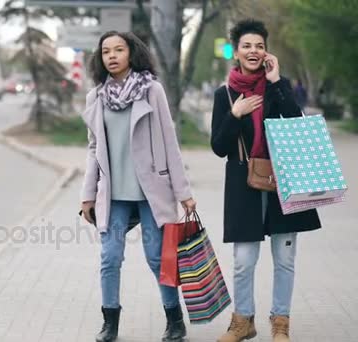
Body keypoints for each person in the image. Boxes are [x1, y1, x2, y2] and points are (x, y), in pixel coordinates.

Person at [79, 31, 196, 342]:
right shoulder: (96, 97)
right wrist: (87, 194)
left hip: (150, 191)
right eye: (106, 51)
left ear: (132, 53)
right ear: (100, 58)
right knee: (110, 257)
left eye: (119, 49)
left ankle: (174, 320)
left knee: (158, 257)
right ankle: (110, 324)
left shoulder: (151, 90)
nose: (113, 55)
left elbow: (170, 142)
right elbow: (93, 150)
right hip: (114, 193)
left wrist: (183, 193)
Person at [210, 19, 322, 342]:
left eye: (259, 45)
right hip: (244, 185)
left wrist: (275, 83)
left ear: (266, 51)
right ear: (236, 52)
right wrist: (236, 114)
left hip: (283, 181)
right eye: (247, 45)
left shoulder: (278, 85)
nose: (254, 51)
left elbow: (295, 125)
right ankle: (242, 321)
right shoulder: (225, 95)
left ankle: (280, 323)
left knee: (285, 259)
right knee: (244, 261)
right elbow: (218, 147)